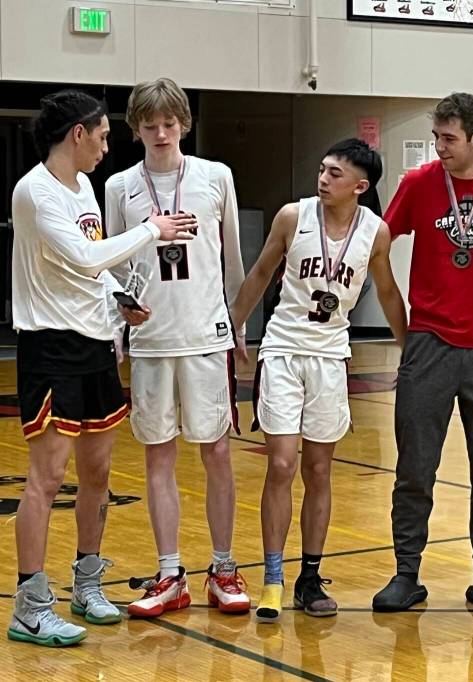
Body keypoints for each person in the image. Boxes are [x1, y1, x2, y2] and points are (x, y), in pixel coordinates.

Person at [9, 89, 196, 646]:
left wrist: (119, 297)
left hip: (93, 345)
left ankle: (86, 584)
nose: (107, 146)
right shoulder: (34, 192)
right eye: (104, 135)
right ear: (78, 134)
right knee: (46, 479)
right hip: (51, 347)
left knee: (98, 475)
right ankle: (30, 602)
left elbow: (94, 269)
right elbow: (87, 255)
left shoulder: (83, 186)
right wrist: (150, 230)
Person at [230, 138, 407, 622]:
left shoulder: (376, 232)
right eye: (322, 169)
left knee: (319, 471)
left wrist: (408, 349)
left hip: (331, 358)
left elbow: (389, 292)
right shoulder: (293, 216)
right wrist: (233, 329)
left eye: (334, 174)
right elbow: (262, 271)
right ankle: (271, 577)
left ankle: (309, 577)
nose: (323, 179)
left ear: (360, 186)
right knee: (282, 465)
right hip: (285, 350)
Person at [371, 93, 473, 613]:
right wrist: (405, 331)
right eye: (436, 136)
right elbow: (376, 247)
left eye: (449, 139)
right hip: (431, 345)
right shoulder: (418, 184)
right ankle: (405, 574)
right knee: (415, 468)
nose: (439, 147)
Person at [105, 78, 250, 617]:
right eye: (150, 125)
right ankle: (170, 573)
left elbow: (231, 258)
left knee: (216, 453)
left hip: (205, 335)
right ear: (135, 129)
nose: (161, 133)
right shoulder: (120, 186)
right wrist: (119, 322)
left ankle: (224, 566)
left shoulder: (216, 177)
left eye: (169, 123)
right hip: (150, 338)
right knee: (157, 455)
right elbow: (114, 266)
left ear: (184, 124)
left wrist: (236, 324)